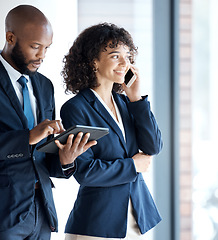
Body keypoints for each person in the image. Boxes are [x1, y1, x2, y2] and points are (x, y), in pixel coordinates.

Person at [0, 5, 96, 240]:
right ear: (10, 37)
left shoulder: (45, 85)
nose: (42, 56)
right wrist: (26, 138)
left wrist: (66, 159)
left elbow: (43, 158)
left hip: (42, 212)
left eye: (47, 48)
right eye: (35, 47)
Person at [60, 23, 163, 240]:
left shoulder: (126, 103)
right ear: (93, 61)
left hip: (135, 220)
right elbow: (85, 171)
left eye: (128, 56)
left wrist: (136, 99)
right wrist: (133, 165)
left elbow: (153, 146)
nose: (125, 63)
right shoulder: (76, 108)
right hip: (96, 225)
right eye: (116, 56)